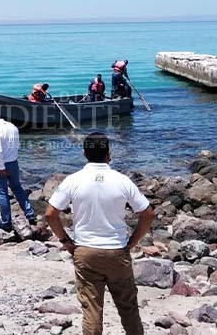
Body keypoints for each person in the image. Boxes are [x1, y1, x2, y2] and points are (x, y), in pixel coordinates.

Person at [45, 132, 155, 335]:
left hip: (86, 250)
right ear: (109, 154)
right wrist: (132, 242)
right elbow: (147, 214)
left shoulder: (73, 180)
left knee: (92, 310)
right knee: (128, 307)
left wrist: (65, 241)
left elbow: (51, 214)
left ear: (84, 153)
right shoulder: (122, 181)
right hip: (116, 250)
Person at [0, 110, 37, 230]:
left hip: (0, 164)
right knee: (17, 188)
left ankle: (6, 222)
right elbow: (17, 145)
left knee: (2, 192)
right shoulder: (12, 126)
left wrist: (1, 167)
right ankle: (30, 214)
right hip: (13, 162)